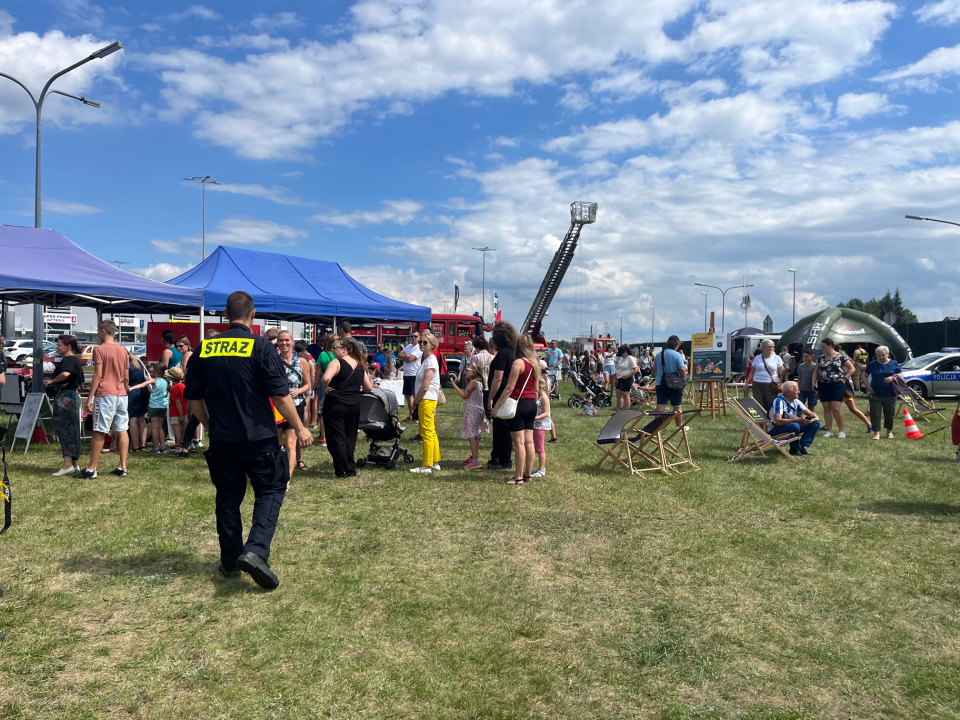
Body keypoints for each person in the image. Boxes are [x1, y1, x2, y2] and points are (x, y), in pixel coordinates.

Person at [185, 290, 312, 589]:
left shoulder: (205, 347)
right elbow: (280, 396)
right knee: (270, 490)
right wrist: (301, 427)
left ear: (226, 314)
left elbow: (193, 398)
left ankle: (230, 561)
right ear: (252, 315)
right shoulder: (259, 346)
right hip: (259, 438)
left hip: (222, 440)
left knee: (228, 497)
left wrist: (210, 424)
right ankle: (255, 551)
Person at [80, 320, 130, 479]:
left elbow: (98, 375)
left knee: (99, 430)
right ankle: (122, 466)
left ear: (102, 331)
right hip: (121, 394)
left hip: (105, 394)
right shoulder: (123, 350)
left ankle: (92, 469)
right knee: (122, 429)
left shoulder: (99, 349)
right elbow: (126, 376)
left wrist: (90, 397)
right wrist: (124, 389)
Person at [321, 333, 374, 478]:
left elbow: (326, 377)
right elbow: (369, 388)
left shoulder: (336, 362)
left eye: (335, 347)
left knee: (336, 438)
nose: (332, 350)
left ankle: (341, 471)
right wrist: (357, 390)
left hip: (336, 403)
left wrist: (325, 387)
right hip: (354, 404)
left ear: (344, 349)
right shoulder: (359, 365)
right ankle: (351, 469)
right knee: (350, 438)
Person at [493, 334, 540, 485]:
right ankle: (528, 475)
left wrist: (497, 405)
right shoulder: (535, 364)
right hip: (531, 403)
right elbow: (537, 389)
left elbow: (509, 388)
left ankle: (518, 477)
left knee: (519, 442)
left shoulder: (518, 363)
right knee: (529, 442)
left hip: (518, 404)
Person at [45, 334, 83, 476]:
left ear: (69, 347)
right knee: (73, 429)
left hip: (65, 397)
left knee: (64, 429)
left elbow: (66, 374)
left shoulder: (68, 360)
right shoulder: (75, 360)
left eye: (60, 345)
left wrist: (52, 381)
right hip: (72, 396)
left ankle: (67, 464)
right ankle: (74, 463)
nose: (57, 347)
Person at [277, 330, 312, 475]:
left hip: (295, 405)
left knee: (291, 443)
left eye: (287, 340)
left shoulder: (302, 361)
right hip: (277, 406)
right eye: (281, 340)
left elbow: (308, 384)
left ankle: (287, 479)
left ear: (292, 342)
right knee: (277, 444)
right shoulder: (273, 360)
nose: (284, 343)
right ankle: (277, 472)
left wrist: (298, 391)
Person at [487, 322, 519, 471]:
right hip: (512, 393)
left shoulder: (502, 355)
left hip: (501, 393)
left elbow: (497, 378)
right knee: (507, 428)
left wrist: (491, 397)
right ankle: (504, 457)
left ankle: (500, 458)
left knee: (500, 428)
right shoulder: (514, 353)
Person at [410, 330, 442, 474]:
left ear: (432, 345)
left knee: (426, 432)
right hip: (428, 398)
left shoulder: (430, 361)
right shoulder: (427, 360)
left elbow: (425, 386)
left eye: (425, 342)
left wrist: (415, 402)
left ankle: (426, 464)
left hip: (427, 399)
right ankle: (434, 461)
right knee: (430, 431)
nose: (421, 344)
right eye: (420, 341)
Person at [814, 337, 855, 439]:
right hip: (823, 384)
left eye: (824, 346)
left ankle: (841, 431)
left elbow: (852, 368)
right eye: (822, 347)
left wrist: (845, 379)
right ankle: (829, 430)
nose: (822, 348)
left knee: (836, 408)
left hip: (837, 384)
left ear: (830, 346)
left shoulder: (841, 357)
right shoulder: (821, 358)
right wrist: (813, 382)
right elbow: (816, 371)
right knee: (826, 407)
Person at [768, 381, 821, 456]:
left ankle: (801, 446)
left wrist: (814, 416)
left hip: (789, 426)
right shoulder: (779, 401)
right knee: (795, 425)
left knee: (816, 423)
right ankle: (794, 449)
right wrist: (799, 420)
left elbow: (809, 412)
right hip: (775, 429)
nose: (799, 392)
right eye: (796, 390)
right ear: (788, 392)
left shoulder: (796, 401)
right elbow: (778, 421)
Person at [454, 361, 488, 470]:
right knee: (475, 435)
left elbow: (464, 395)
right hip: (477, 409)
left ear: (474, 372)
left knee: (471, 436)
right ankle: (474, 457)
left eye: (467, 371)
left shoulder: (473, 382)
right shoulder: (479, 382)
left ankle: (475, 460)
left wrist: (454, 385)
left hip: (472, 410)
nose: (465, 373)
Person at [865, 345, 902, 440]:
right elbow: (863, 376)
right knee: (875, 414)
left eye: (883, 355)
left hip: (890, 393)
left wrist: (892, 378)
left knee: (889, 414)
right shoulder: (872, 364)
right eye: (878, 355)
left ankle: (889, 432)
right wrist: (868, 387)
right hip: (875, 393)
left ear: (887, 354)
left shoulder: (894, 363)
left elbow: (900, 375)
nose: (881, 357)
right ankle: (876, 433)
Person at [654, 335, 687, 423]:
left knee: (660, 406)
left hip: (660, 383)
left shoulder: (659, 355)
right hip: (674, 384)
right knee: (677, 407)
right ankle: (679, 427)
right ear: (677, 345)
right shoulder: (677, 355)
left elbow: (655, 369)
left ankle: (655, 428)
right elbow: (682, 369)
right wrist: (683, 381)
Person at [138, 363, 169, 454]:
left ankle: (156, 447)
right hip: (163, 406)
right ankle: (163, 446)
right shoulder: (167, 381)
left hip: (154, 406)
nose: (152, 374)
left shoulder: (155, 380)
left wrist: (131, 388)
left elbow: (143, 384)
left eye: (153, 372)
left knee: (155, 427)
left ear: (157, 372)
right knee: (160, 427)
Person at [750, 339, 784, 413]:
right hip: (757, 383)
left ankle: (770, 420)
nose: (771, 348)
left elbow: (782, 372)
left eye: (772, 347)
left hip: (771, 384)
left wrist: (780, 382)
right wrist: (746, 384)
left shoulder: (777, 358)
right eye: (769, 347)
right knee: (758, 403)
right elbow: (752, 372)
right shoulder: (757, 358)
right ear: (763, 348)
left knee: (770, 403)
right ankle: (761, 421)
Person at [127, 349, 149, 454]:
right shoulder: (138, 362)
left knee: (133, 420)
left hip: (131, 392)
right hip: (142, 391)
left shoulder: (126, 365)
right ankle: (142, 445)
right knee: (142, 419)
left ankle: (135, 446)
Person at [399, 330, 422, 422]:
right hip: (407, 374)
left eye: (415, 336)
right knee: (408, 396)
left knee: (415, 396)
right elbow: (399, 355)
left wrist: (405, 356)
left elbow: (410, 359)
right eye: (412, 336)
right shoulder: (408, 346)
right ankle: (411, 416)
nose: (413, 338)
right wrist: (405, 356)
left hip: (414, 374)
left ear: (419, 337)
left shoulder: (419, 348)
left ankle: (416, 417)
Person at [532, 374, 551, 478]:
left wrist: (535, 418)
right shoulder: (539, 397)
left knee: (540, 448)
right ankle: (539, 467)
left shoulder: (544, 398)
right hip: (536, 425)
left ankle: (542, 469)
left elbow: (546, 413)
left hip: (540, 426)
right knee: (536, 447)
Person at [166, 366, 188, 451]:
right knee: (183, 429)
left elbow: (177, 401)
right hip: (184, 410)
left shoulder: (174, 388)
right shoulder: (183, 386)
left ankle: (178, 445)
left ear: (171, 377)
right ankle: (182, 443)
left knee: (177, 430)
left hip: (176, 412)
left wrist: (180, 413)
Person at [471, 337, 493, 420]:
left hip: (479, 384)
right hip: (491, 384)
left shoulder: (475, 357)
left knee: (477, 406)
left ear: (477, 347)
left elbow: (472, 371)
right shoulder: (493, 357)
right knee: (489, 408)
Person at [614, 344, 637, 411]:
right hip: (620, 378)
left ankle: (626, 410)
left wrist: (627, 376)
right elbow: (618, 369)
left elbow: (635, 369)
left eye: (622, 353)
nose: (621, 355)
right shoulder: (621, 358)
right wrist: (616, 379)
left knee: (626, 395)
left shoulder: (630, 358)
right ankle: (617, 410)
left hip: (627, 378)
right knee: (618, 395)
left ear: (625, 352)